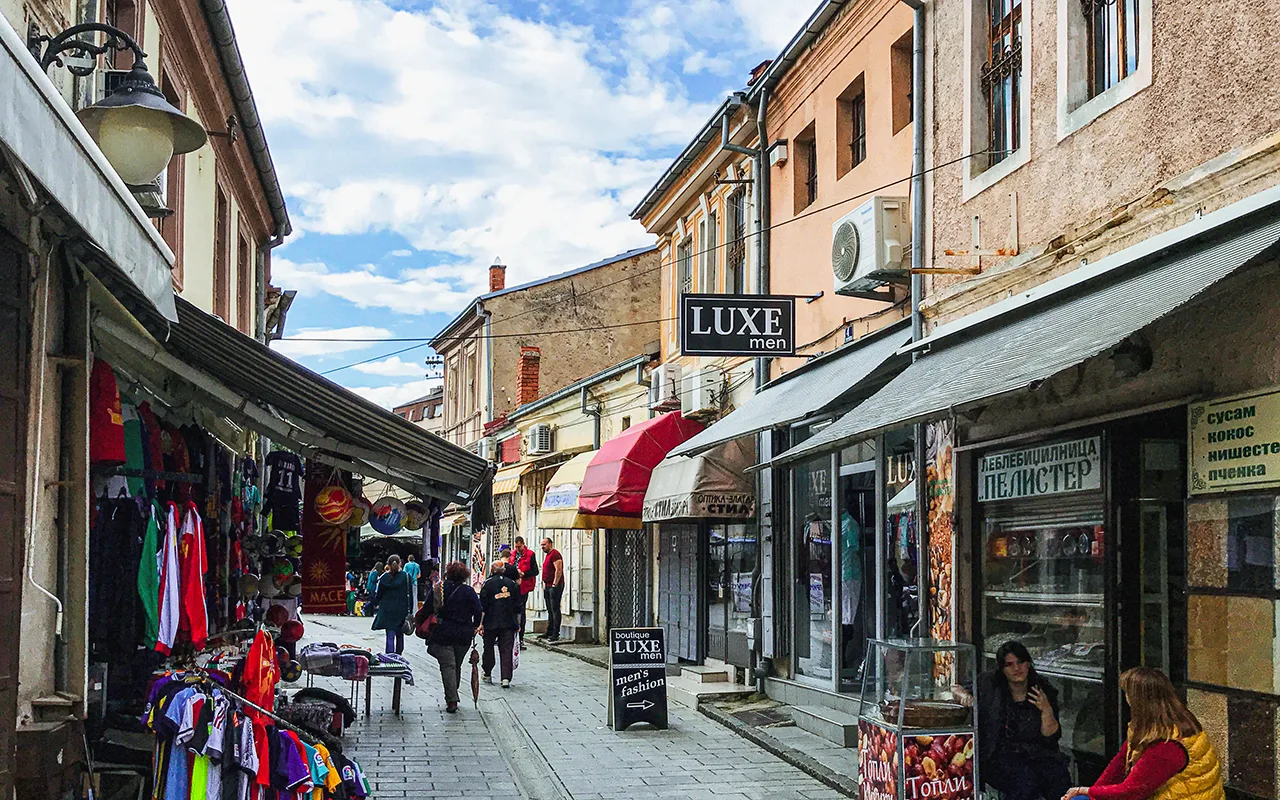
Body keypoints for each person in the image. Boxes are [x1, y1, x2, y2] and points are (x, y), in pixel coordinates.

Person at [1062, 668, 1225, 800]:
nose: (1126, 698)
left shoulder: (1168, 745)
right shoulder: (1160, 724)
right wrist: (1091, 793)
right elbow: (1118, 764)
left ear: (1138, 700)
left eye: (1127, 694)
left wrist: (1086, 791)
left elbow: (1131, 791)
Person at [957, 641, 1071, 800]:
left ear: (1029, 664)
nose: (1017, 669)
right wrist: (966, 698)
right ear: (1002, 669)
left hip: (1037, 753)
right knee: (1024, 784)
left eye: (1021, 662)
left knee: (1058, 778)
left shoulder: (1042, 688)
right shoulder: (989, 684)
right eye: (1010, 665)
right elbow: (956, 688)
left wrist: (1046, 709)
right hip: (999, 754)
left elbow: (1051, 736)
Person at [424, 561, 482, 713]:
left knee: (448, 666)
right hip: (464, 635)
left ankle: (452, 699)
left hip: (443, 632)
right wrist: (475, 626)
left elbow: (426, 609)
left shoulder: (439, 590)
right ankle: (452, 693)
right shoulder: (469, 591)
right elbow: (478, 610)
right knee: (455, 665)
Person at [479, 560, 521, 687]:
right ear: (503, 570)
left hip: (490, 622)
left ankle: (487, 673)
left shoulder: (487, 584)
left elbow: (483, 607)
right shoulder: (512, 584)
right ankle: (505, 678)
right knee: (506, 649)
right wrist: (518, 624)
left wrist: (480, 624)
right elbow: (518, 606)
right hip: (508, 622)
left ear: (491, 570)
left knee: (488, 648)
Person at [371, 555, 410, 655]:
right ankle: (399, 655)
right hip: (401, 608)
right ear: (400, 563)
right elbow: (410, 594)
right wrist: (410, 610)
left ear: (387, 565)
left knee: (390, 633)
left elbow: (378, 595)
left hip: (387, 609)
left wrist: (374, 603)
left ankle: (390, 656)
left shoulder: (384, 578)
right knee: (400, 634)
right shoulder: (405, 577)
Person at [509, 536, 538, 649]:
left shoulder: (530, 554)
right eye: (516, 547)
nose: (517, 549)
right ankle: (511, 637)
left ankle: (520, 639)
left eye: (519, 546)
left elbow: (535, 571)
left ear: (523, 544)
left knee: (521, 612)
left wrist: (524, 574)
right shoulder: (513, 554)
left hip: (523, 586)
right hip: (511, 587)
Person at [538, 537, 565, 642]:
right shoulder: (548, 555)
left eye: (544, 544)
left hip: (555, 586)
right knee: (549, 609)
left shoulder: (555, 554)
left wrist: (554, 584)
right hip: (548, 585)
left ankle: (555, 633)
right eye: (541, 545)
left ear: (550, 544)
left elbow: (558, 570)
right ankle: (549, 630)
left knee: (555, 609)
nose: (542, 547)